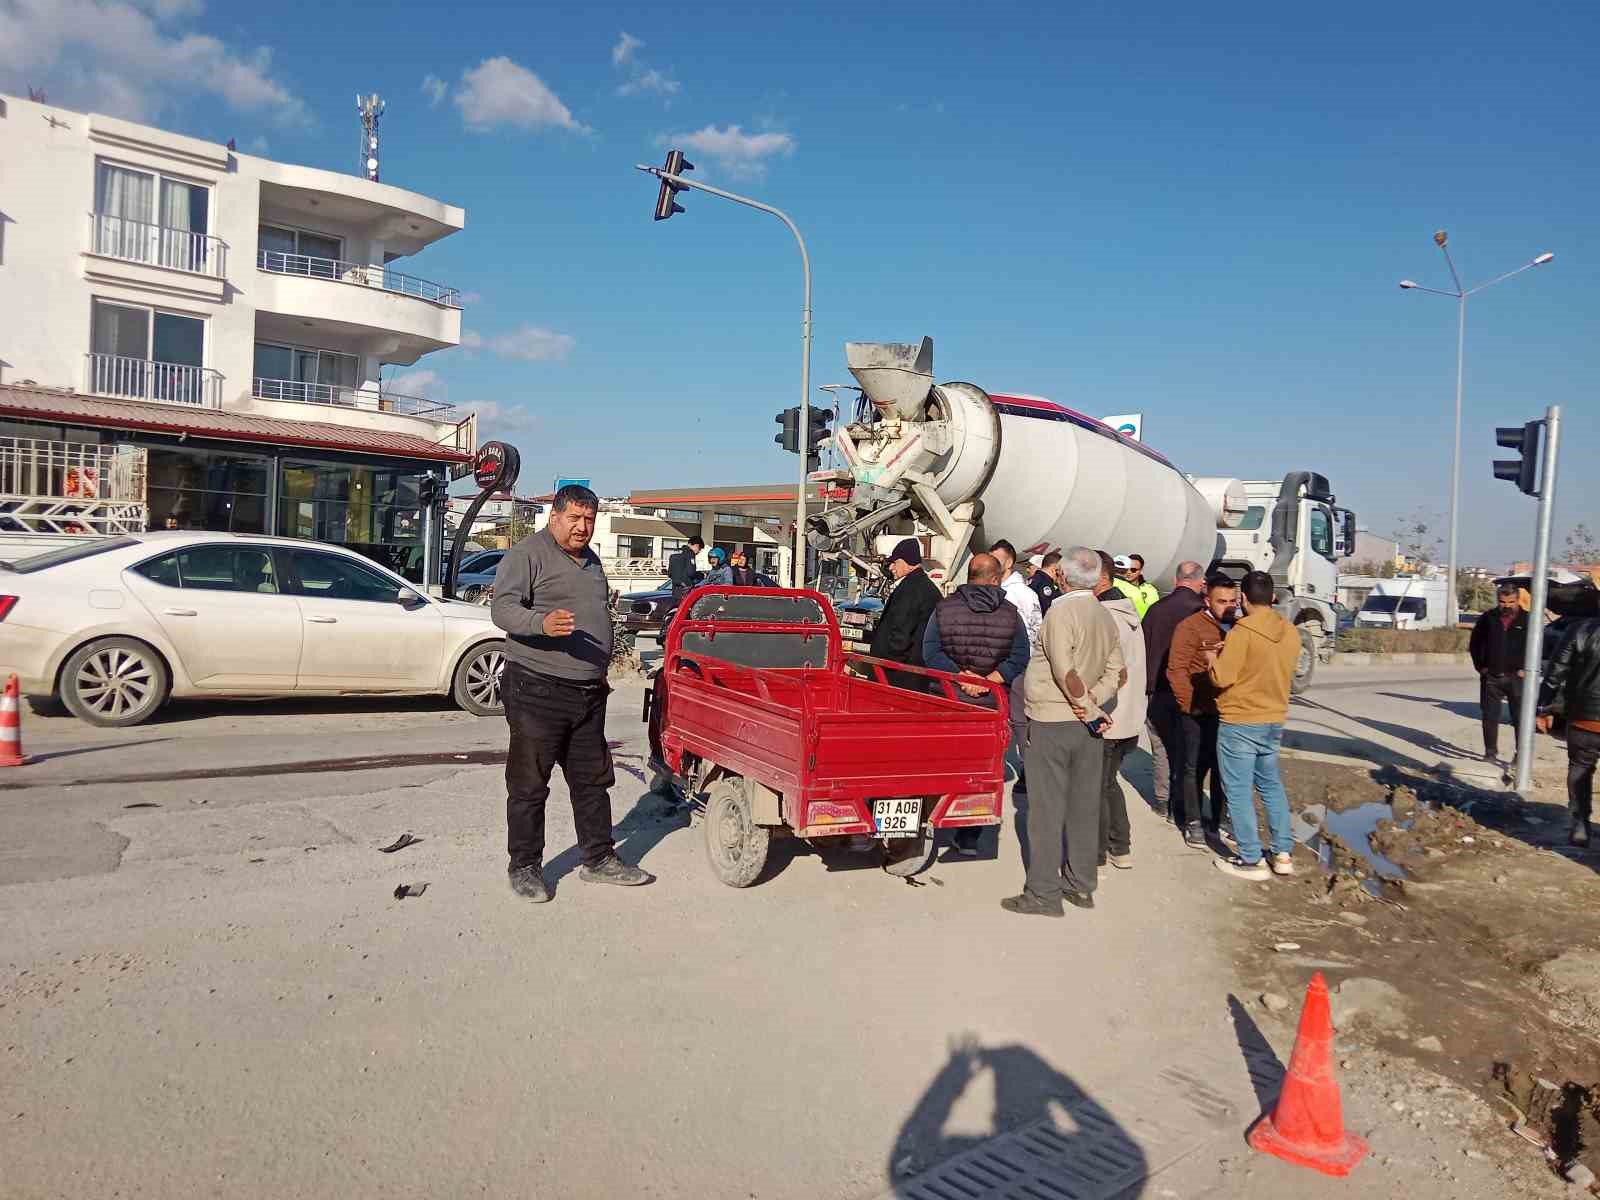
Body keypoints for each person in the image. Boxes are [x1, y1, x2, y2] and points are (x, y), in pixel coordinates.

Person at [491, 484, 652, 902]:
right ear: (555, 517)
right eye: (575, 519)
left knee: (592, 781)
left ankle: (598, 859)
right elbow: (502, 609)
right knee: (529, 785)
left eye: (589, 519)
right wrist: (540, 624)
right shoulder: (527, 555)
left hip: (586, 693)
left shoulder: (591, 561)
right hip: (537, 687)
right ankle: (524, 867)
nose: (583, 527)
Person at [1002, 546, 1124, 916]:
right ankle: (1081, 885)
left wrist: (1085, 706)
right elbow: (1119, 672)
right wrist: (1095, 705)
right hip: (1087, 726)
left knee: (1045, 811)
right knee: (1083, 807)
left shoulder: (1060, 613)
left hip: (1054, 720)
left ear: (1061, 576)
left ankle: (1043, 893)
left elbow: (1063, 670)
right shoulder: (1104, 616)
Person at [922, 553, 1030, 855]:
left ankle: (931, 820)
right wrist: (991, 678)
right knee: (981, 767)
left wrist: (960, 676)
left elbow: (930, 651)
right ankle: (969, 835)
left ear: (970, 575)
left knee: (942, 760)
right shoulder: (1010, 613)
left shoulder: (943, 609)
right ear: (995, 579)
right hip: (990, 704)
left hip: (947, 698)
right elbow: (1021, 655)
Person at [1206, 570, 1302, 880]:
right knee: (1271, 786)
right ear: (1272, 597)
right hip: (1274, 718)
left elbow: (1223, 677)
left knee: (1238, 791)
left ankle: (1250, 858)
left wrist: (1212, 659)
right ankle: (1283, 853)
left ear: (1244, 598)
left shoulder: (1242, 632)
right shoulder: (1290, 632)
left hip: (1240, 720)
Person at [1166, 573, 1237, 848]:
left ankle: (1219, 818)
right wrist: (1188, 705)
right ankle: (1192, 821)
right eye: (1221, 601)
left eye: (1232, 601)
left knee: (1224, 769)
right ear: (1208, 600)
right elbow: (1177, 669)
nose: (1228, 606)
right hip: (1197, 710)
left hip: (1228, 712)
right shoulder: (1191, 627)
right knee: (1192, 768)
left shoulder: (1238, 628)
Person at [1142, 561, 1207, 820]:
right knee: (1187, 749)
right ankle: (1181, 802)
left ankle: (1161, 799)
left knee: (1160, 747)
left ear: (1176, 579)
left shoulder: (1156, 610)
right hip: (1190, 692)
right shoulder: (1201, 611)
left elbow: (1142, 650)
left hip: (1156, 690)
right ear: (1200, 582)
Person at [1094, 552, 1146, 871]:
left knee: (1096, 787)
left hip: (1107, 717)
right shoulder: (1126, 612)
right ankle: (1120, 846)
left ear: (1100, 578)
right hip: (1127, 716)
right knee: (1108, 783)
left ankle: (1097, 852)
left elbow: (1102, 672)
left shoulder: (1104, 617)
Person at [1538, 614, 1600, 847]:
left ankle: (1580, 825)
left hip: (1584, 718)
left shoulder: (1580, 630)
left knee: (1580, 766)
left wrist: (1544, 708)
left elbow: (1555, 672)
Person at [989, 538, 1044, 789]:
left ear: (1009, 563)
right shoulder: (1005, 590)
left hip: (1019, 666)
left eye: (997, 561)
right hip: (1003, 666)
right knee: (1006, 719)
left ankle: (1028, 770)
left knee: (1019, 721)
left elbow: (1035, 632)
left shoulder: (1019, 593)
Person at [868, 538, 942, 690]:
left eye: (895, 562)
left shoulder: (910, 589)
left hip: (899, 675)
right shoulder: (925, 587)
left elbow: (901, 633)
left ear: (907, 561)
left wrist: (886, 664)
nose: (891, 567)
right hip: (914, 672)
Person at [1469, 583, 1529, 766]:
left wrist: (1526, 668)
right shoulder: (1488, 618)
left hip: (1517, 678)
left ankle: (1521, 754)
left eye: (1511, 601)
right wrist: (1482, 668)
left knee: (1520, 718)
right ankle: (1490, 752)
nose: (1507, 605)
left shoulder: (1528, 620)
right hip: (1491, 677)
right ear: (1498, 600)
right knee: (1489, 716)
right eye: (1503, 602)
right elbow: (1475, 644)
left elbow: (1538, 648)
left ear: (1518, 600)